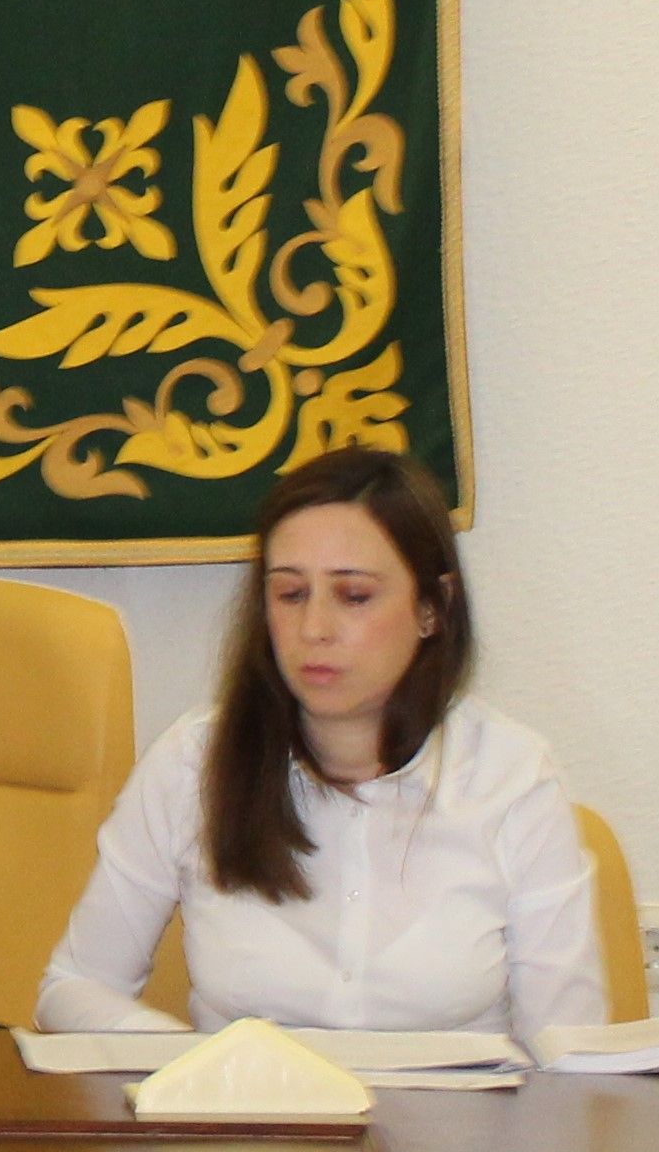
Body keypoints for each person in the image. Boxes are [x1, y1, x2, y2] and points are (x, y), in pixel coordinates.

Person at [36, 444, 606, 1042]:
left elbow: (569, 1051)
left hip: (458, 1131)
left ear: (432, 609)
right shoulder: (192, 763)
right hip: (252, 1128)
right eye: (290, 594)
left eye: (354, 596)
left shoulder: (512, 777)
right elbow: (73, 987)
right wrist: (203, 1069)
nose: (314, 629)